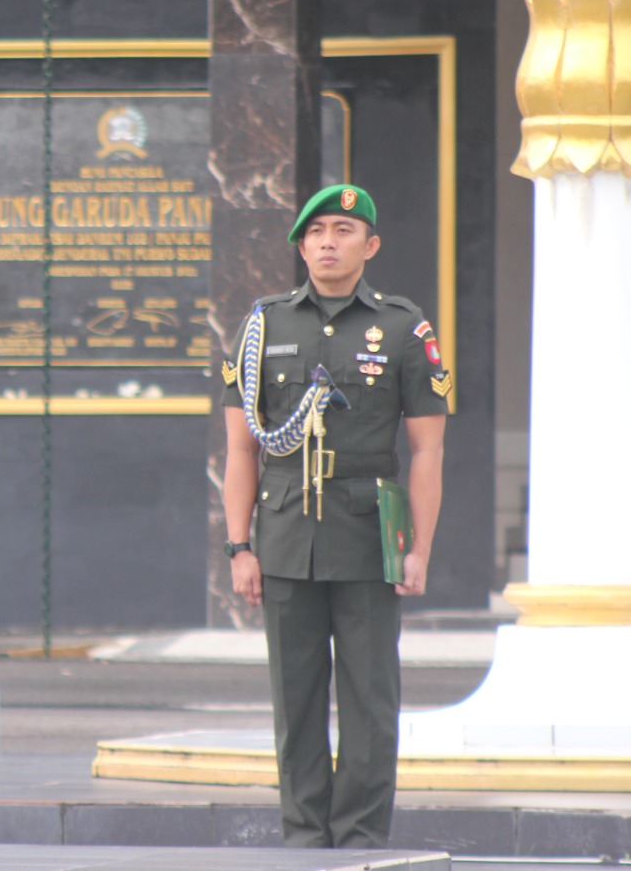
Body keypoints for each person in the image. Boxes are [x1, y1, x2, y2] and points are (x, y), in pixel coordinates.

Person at [220, 183, 448, 849]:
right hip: (285, 533)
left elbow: (428, 449)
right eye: (315, 231)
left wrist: (420, 548)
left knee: (370, 699)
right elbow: (240, 448)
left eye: (344, 230)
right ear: (299, 244)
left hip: (369, 532)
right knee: (294, 702)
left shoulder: (405, 327)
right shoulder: (263, 325)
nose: (327, 241)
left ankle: (360, 841)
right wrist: (239, 547)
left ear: (370, 245)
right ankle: (303, 840)